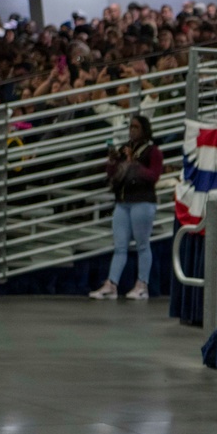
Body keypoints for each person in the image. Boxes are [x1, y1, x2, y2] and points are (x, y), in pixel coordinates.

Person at [89, 115, 162, 300]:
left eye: (136, 127)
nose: (132, 130)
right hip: (123, 202)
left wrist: (133, 164)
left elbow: (153, 175)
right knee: (120, 246)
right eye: (130, 127)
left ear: (144, 129)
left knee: (142, 245)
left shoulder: (153, 151)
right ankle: (112, 284)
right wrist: (113, 161)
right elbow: (112, 174)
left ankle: (142, 285)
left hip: (142, 201)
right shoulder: (125, 149)